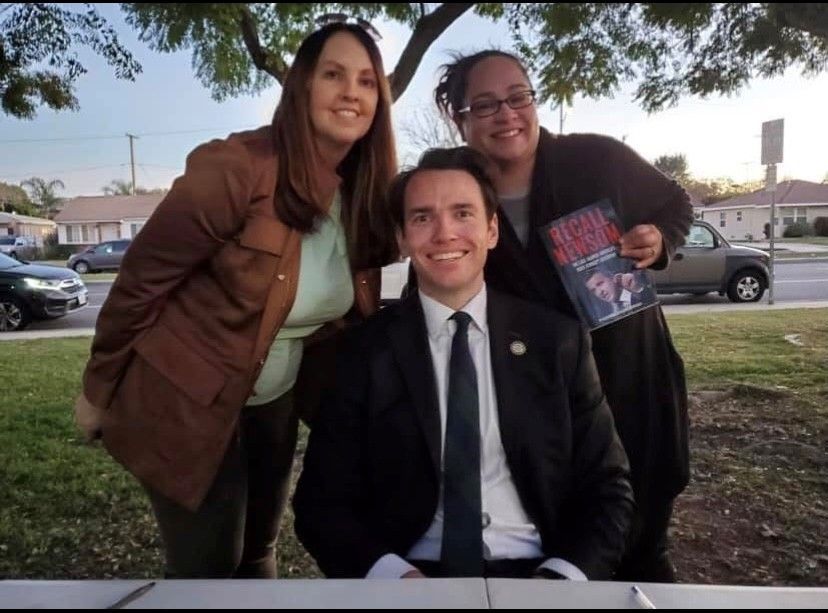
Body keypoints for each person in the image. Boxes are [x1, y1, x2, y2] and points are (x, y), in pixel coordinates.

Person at [72, 21, 398, 578]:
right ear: (301, 85)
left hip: (275, 401)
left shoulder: (364, 191)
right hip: (186, 400)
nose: (352, 92)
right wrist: (98, 389)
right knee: (207, 569)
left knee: (259, 551)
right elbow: (141, 282)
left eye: (368, 82)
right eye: (334, 75)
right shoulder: (236, 167)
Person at [293, 147, 633, 580]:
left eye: (463, 214)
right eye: (422, 218)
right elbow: (321, 502)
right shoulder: (360, 353)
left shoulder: (558, 343)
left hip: (539, 577)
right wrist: (391, 578)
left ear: (492, 230)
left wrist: (562, 579)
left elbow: (608, 488)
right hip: (407, 578)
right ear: (401, 238)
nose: (444, 233)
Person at [433, 51, 694, 582]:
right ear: (460, 120)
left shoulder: (597, 159)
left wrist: (660, 239)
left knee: (642, 556)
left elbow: (675, 204)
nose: (506, 114)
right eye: (483, 105)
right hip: (539, 407)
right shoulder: (457, 190)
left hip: (633, 385)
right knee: (564, 558)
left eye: (517, 97)